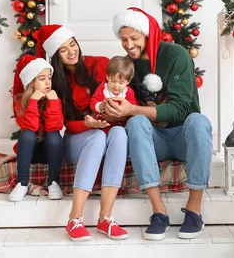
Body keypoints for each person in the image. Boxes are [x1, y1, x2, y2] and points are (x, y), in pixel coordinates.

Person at [103, 7, 213, 240]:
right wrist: (111, 111)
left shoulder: (176, 55)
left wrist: (132, 109)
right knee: (136, 123)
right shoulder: (128, 64)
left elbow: (181, 108)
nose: (128, 45)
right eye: (123, 40)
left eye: (134, 38)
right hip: (157, 139)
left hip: (184, 136)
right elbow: (127, 102)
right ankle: (159, 211)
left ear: (148, 34)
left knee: (198, 121)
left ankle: (194, 210)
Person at [36, 24, 129, 242]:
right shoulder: (55, 82)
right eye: (63, 49)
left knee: (119, 135)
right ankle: (74, 218)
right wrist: (88, 125)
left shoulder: (99, 65)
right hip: (77, 138)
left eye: (73, 44)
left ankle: (105, 218)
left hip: (108, 131)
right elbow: (66, 124)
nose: (71, 51)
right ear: (56, 56)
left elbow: (122, 94)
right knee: (97, 137)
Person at [9, 55, 64, 202]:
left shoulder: (54, 98)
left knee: (54, 135)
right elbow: (30, 127)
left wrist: (53, 102)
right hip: (30, 151)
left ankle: (53, 182)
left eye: (49, 78)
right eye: (41, 79)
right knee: (27, 135)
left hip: (49, 152)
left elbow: (55, 126)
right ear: (31, 82)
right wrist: (33, 101)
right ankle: (22, 183)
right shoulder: (21, 101)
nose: (47, 82)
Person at [88, 56, 138, 131]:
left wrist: (123, 114)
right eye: (113, 81)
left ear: (128, 81)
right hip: (102, 126)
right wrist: (100, 106)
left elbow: (132, 109)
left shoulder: (128, 92)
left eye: (121, 83)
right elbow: (93, 103)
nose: (116, 86)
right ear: (107, 76)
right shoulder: (103, 88)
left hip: (120, 126)